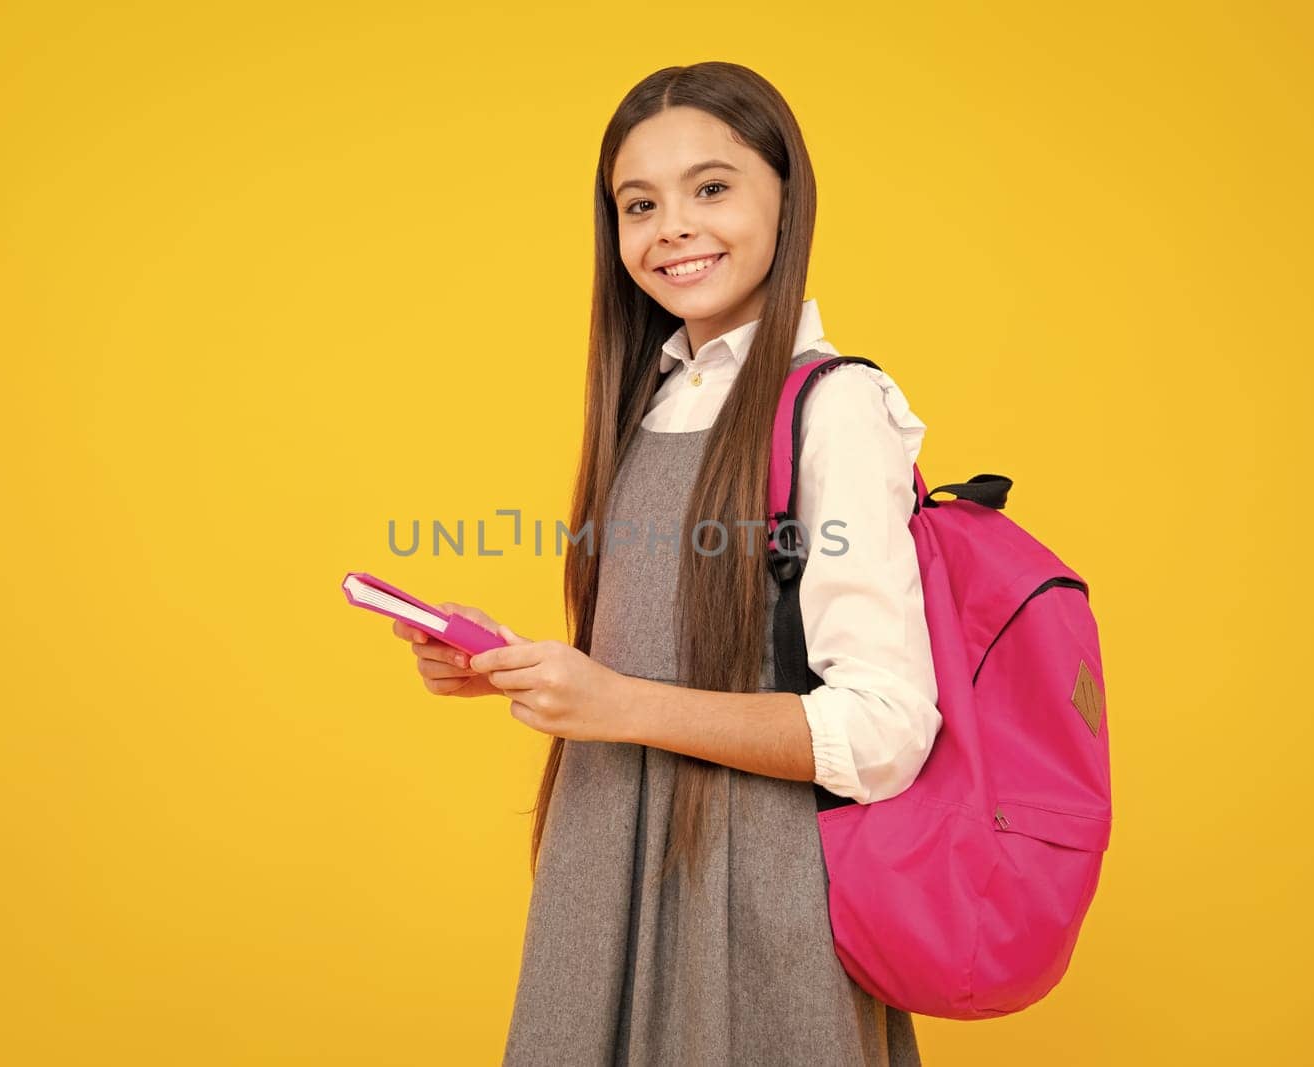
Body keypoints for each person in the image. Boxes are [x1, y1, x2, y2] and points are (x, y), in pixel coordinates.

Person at [390, 62, 940, 1066]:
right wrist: (522, 668)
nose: (671, 226)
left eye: (712, 187)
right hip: (605, 871)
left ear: (787, 193)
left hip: (754, 907)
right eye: (638, 204)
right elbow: (659, 656)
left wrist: (616, 704)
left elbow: (886, 729)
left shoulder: (836, 408)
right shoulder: (648, 399)